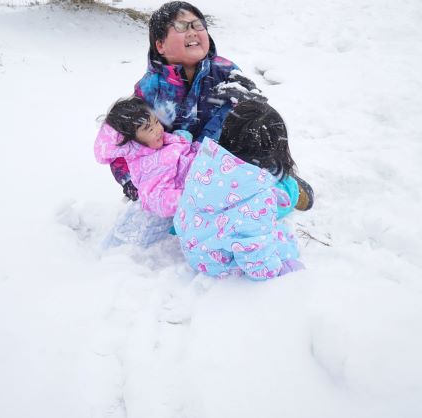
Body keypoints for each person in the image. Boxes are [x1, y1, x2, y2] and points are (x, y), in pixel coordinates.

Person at [106, 1, 268, 202]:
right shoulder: (150, 88)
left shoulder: (225, 71)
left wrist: (248, 99)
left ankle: (277, 178)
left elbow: (254, 116)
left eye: (198, 25)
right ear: (160, 45)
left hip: (224, 165)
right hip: (175, 175)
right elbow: (124, 138)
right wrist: (131, 181)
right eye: (182, 26)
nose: (192, 31)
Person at [174, 100, 304, 280]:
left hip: (195, 244)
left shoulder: (207, 159)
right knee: (284, 242)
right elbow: (256, 255)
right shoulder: (257, 199)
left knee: (254, 223)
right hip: (218, 263)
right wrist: (277, 272)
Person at [94, 97, 199, 218]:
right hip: (200, 196)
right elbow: (158, 200)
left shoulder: (164, 141)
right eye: (149, 129)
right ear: (133, 141)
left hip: (210, 172)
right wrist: (191, 198)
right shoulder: (149, 166)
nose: (158, 130)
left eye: (156, 122)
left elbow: (191, 152)